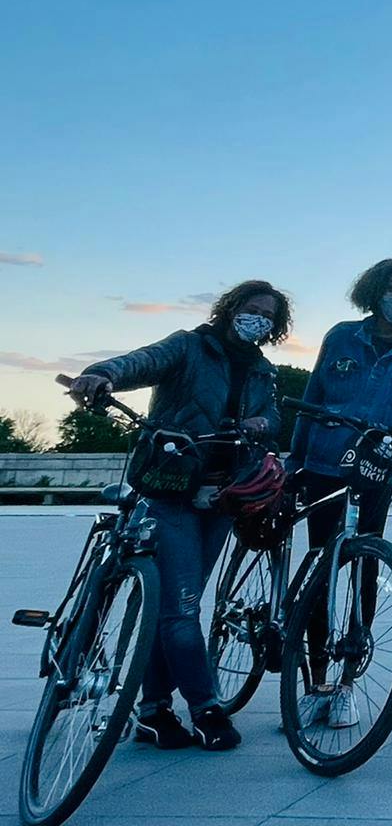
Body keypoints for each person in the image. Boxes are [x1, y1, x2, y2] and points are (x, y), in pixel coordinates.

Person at [69, 280, 294, 752]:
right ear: (230, 309)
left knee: (176, 609)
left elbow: (273, 418)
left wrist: (261, 424)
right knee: (183, 610)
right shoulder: (189, 346)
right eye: (251, 310)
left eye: (268, 317)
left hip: (222, 496)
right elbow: (140, 362)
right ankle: (206, 707)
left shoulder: (262, 371)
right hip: (173, 487)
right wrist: (100, 373)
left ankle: (152, 710)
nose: (258, 320)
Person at [288, 258, 392, 729]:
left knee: (361, 565)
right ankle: (315, 679)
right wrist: (295, 461)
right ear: (374, 290)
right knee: (321, 566)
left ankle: (346, 684)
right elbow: (314, 397)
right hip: (323, 459)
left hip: (375, 464)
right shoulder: (341, 336)